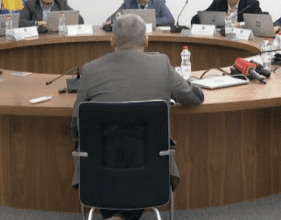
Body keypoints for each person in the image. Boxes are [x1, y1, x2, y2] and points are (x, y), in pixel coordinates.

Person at [71, 14, 204, 220]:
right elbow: (194, 98)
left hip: (100, 174)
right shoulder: (161, 65)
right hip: (152, 173)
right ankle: (126, 215)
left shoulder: (90, 70)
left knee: (108, 145)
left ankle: (115, 214)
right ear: (146, 40)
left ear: (112, 40)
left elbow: (76, 126)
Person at [19, 0, 83, 33]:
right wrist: (38, 23)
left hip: (56, 38)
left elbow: (80, 20)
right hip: (38, 39)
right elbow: (19, 22)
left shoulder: (61, 2)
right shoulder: (30, 4)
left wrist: (62, 21)